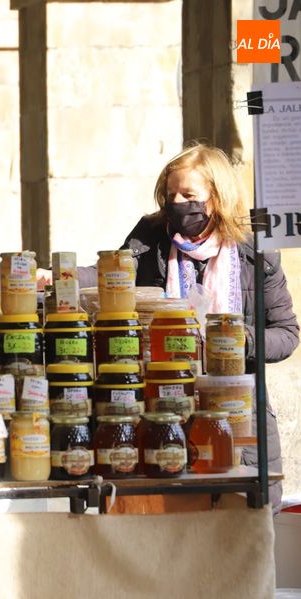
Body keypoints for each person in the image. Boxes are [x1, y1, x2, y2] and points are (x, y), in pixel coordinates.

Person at [66, 142, 298, 508]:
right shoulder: (151, 239)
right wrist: (61, 276)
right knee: (174, 518)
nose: (177, 202)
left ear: (217, 197)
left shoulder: (257, 254)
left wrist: (233, 341)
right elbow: (111, 273)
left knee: (245, 520)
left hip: (241, 411)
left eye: (189, 194)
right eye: (171, 194)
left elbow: (286, 334)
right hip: (166, 405)